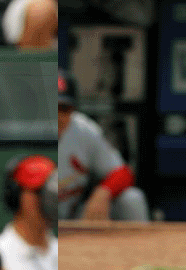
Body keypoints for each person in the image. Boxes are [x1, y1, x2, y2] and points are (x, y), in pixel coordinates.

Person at [56, 94, 150, 222]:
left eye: (64, 109)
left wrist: (103, 192)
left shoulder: (82, 129)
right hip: (40, 219)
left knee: (132, 199)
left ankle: (142, 242)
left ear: (73, 110)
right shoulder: (30, 130)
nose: (58, 116)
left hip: (73, 218)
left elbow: (123, 173)